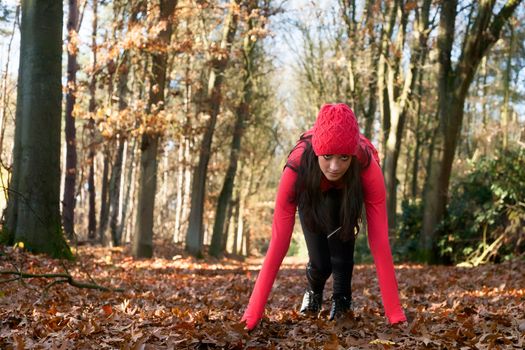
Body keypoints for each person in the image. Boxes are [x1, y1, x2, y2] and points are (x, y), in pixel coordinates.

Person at [241, 103, 407, 330]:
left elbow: (379, 242)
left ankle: (342, 300)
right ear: (317, 150)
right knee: (320, 263)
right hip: (312, 192)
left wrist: (395, 315)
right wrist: (251, 316)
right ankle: (314, 290)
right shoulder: (297, 166)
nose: (335, 167)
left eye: (344, 158)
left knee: (343, 251)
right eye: (327, 156)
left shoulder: (367, 165)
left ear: (353, 155)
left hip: (347, 194)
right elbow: (279, 242)